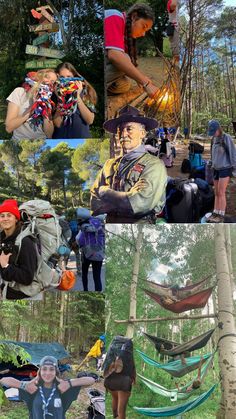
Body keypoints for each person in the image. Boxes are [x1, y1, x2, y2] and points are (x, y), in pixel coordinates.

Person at [90, 105, 167, 223]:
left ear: (142, 133)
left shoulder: (154, 165)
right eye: (120, 130)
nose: (123, 134)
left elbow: (140, 202)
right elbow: (94, 202)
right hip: (111, 227)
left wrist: (106, 193)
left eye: (129, 129)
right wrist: (123, 199)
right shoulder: (109, 164)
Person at [0, 355, 98, 418]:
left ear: (56, 372)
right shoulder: (32, 387)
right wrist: (23, 385)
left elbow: (91, 381)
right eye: (44, 369)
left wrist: (69, 383)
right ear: (40, 372)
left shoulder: (63, 387)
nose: (48, 373)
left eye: (51, 369)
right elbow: (4, 380)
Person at [105, 3, 159, 96]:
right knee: (124, 59)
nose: (143, 34)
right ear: (134, 17)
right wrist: (144, 82)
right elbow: (114, 56)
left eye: (146, 31)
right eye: (144, 27)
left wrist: (140, 78)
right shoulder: (115, 16)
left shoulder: (124, 35)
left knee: (124, 85)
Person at [0, 199, 37, 300]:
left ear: (16, 219)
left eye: (9, 215)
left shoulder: (25, 242)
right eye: (2, 216)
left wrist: (5, 265)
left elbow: (27, 277)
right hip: (7, 289)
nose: (5, 219)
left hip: (23, 295)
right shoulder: (3, 239)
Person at [5, 69, 57, 140]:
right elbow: (9, 127)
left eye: (52, 81)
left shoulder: (48, 100)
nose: (48, 82)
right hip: (19, 143)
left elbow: (49, 135)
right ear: (39, 76)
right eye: (47, 77)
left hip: (42, 144)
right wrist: (33, 108)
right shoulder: (20, 92)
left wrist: (46, 109)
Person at [52, 62, 97, 139]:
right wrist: (59, 98)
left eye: (69, 76)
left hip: (82, 138)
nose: (66, 80)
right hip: (60, 138)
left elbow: (90, 120)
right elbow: (58, 124)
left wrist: (77, 96)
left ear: (74, 76)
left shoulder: (85, 92)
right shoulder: (54, 94)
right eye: (62, 77)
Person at [207, 120, 236, 223]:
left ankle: (221, 215)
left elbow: (233, 154)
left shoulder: (226, 137)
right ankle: (215, 213)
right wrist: (210, 164)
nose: (213, 134)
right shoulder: (213, 139)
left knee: (221, 192)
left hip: (225, 168)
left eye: (214, 131)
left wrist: (234, 170)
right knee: (216, 192)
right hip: (215, 169)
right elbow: (212, 154)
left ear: (219, 129)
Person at [103, 336, 136, 419]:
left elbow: (106, 365)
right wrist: (134, 377)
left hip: (109, 380)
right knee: (121, 412)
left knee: (115, 398)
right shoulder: (127, 350)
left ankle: (115, 417)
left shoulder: (113, 349)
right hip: (123, 382)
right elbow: (131, 364)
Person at [76, 217, 105, 292]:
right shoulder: (100, 226)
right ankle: (98, 292)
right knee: (97, 277)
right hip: (99, 253)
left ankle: (85, 290)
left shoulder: (85, 227)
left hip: (86, 253)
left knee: (84, 273)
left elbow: (80, 240)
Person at [166, 0, 179, 64]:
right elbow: (173, 5)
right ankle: (175, 68)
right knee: (176, 53)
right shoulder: (171, 1)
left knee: (175, 52)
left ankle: (174, 67)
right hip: (174, 29)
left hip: (174, 28)